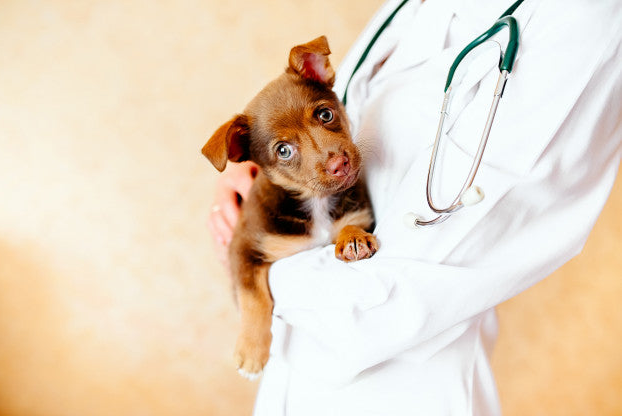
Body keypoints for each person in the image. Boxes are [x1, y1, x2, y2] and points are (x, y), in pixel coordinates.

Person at [208, 0, 622, 414]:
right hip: (289, 383)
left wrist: (264, 280)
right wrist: (259, 167)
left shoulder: (581, 23)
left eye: (324, 116)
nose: (334, 158)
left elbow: (383, 304)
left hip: (407, 389)